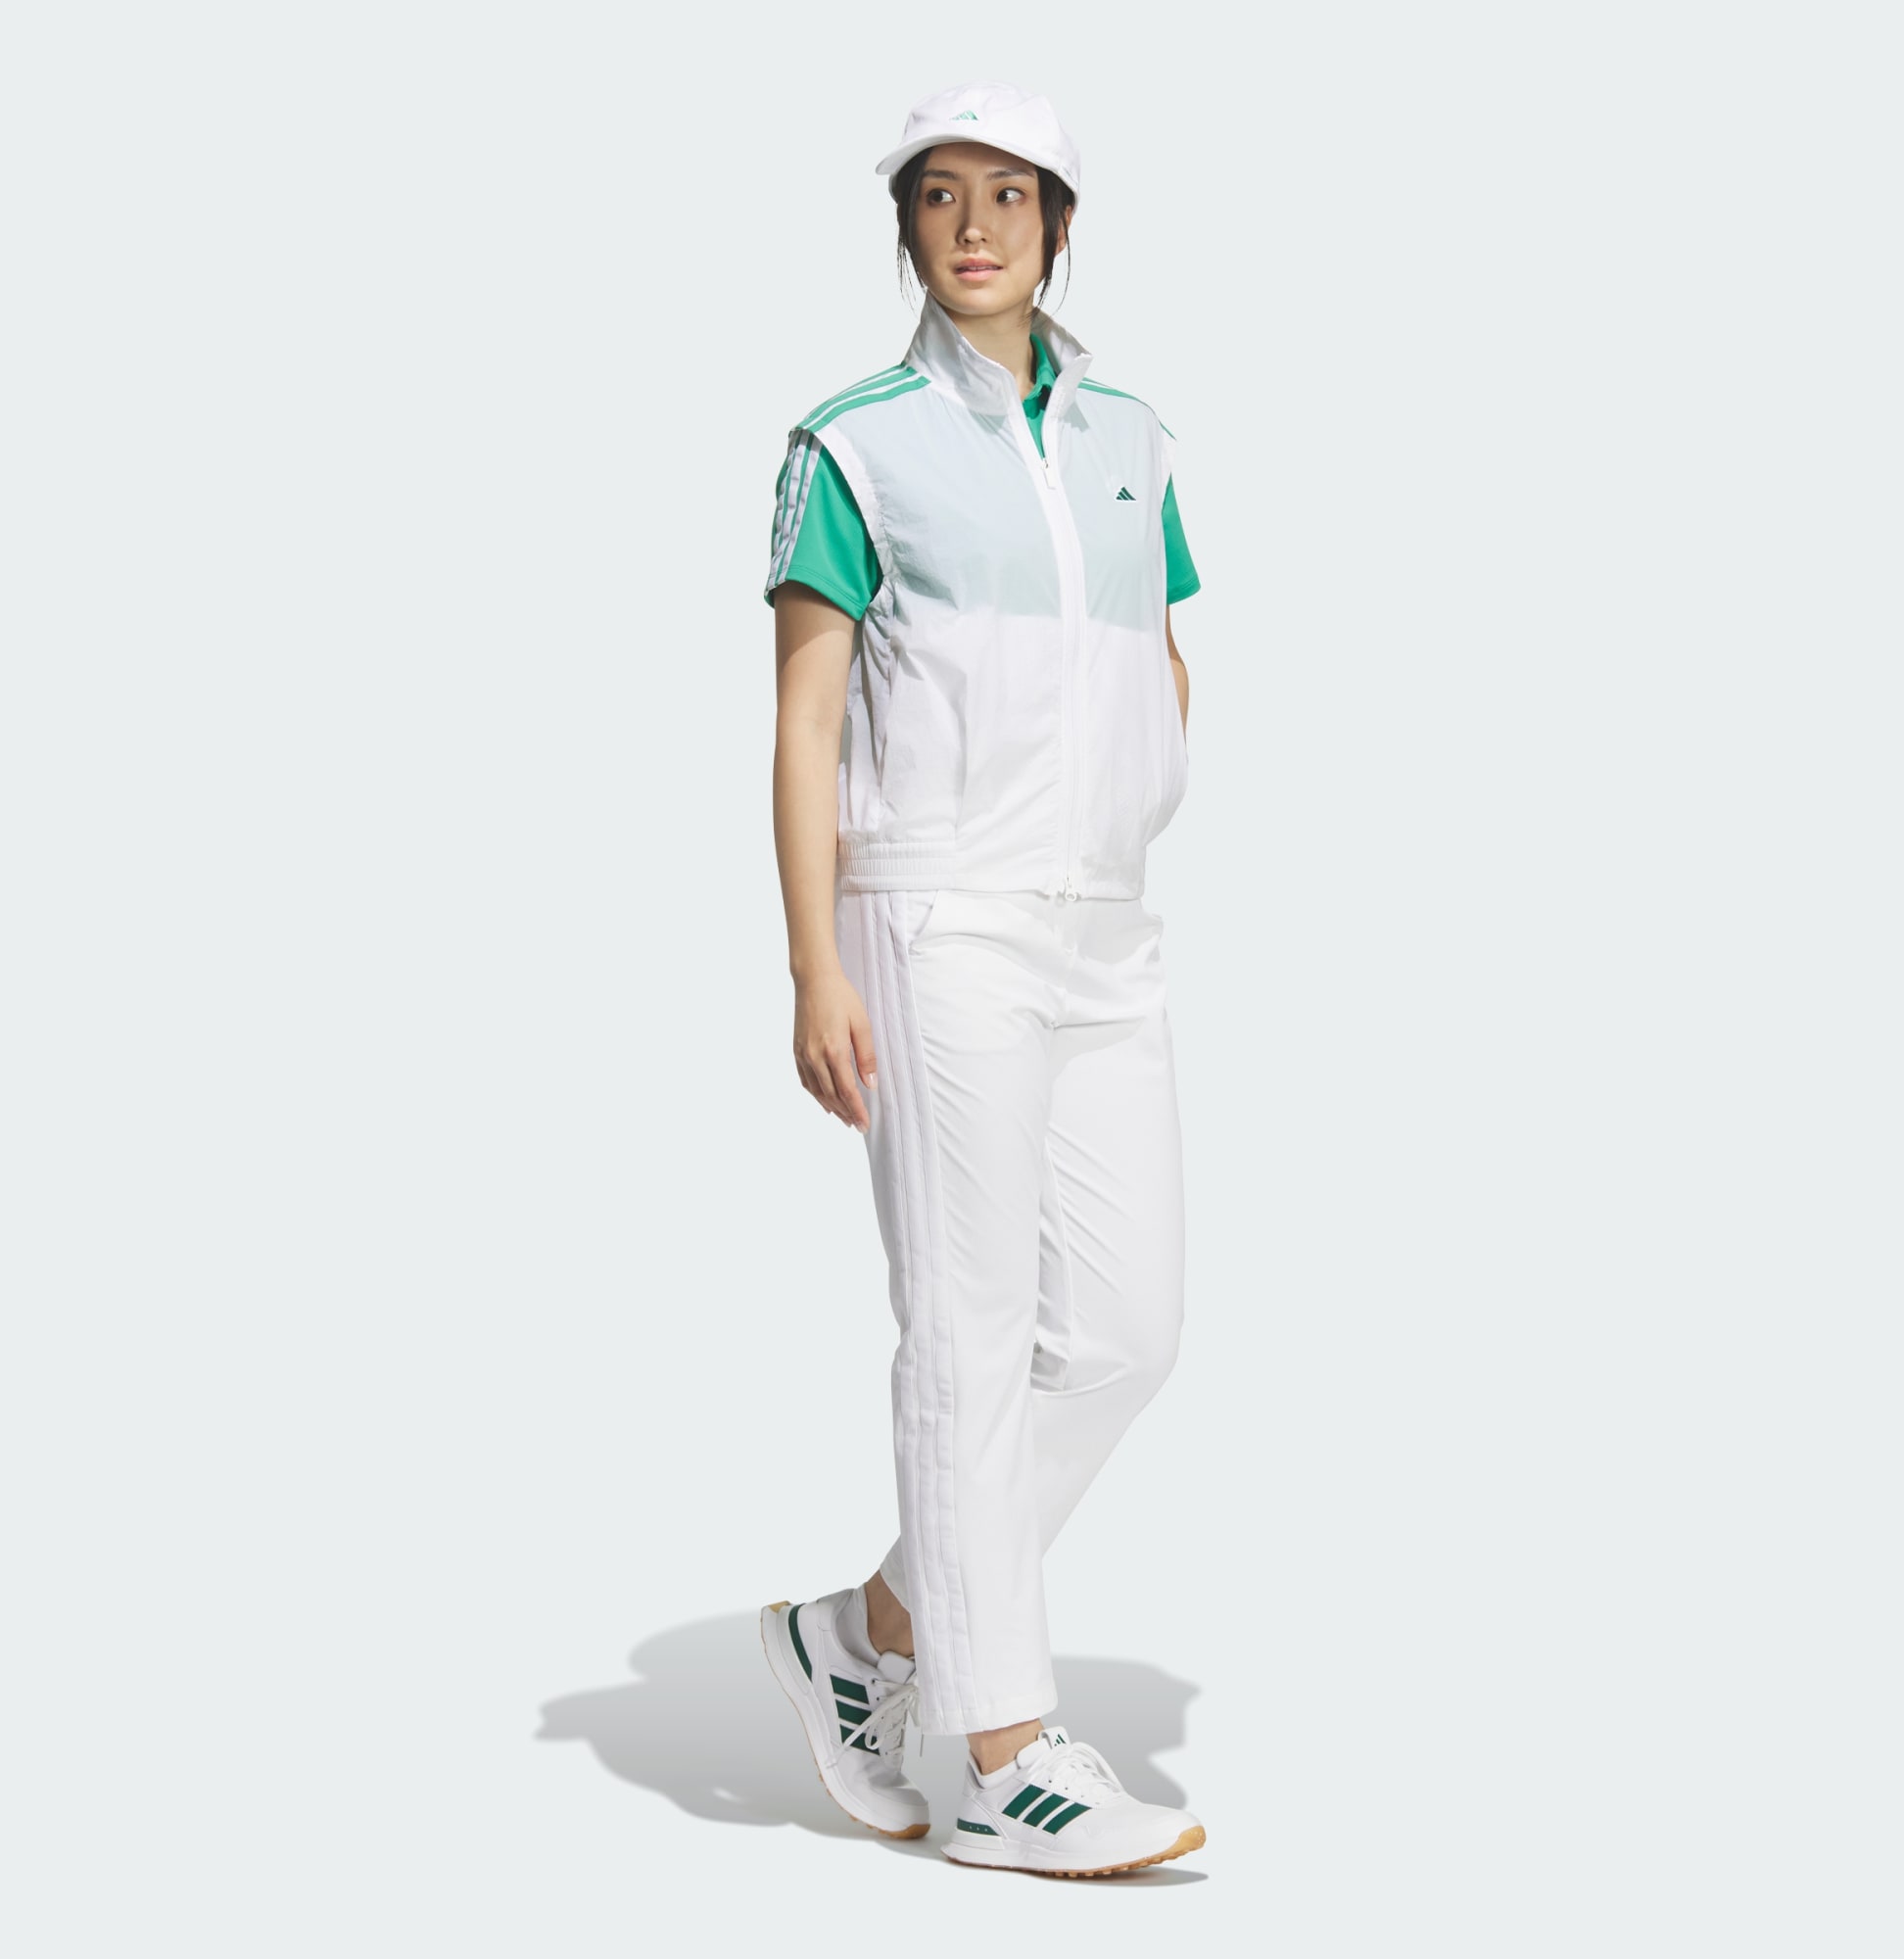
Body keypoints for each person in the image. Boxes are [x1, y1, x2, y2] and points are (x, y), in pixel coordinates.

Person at [758, 80, 1205, 1879]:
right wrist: (815, 962)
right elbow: (804, 721)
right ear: (908, 232)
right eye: (939, 197)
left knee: (1125, 1332)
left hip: (1103, 923)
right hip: (935, 918)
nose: (973, 226)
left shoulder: (1135, 437)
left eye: (1009, 194)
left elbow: (1157, 645)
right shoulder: (851, 446)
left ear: (1060, 225)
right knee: (963, 1334)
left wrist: (1149, 790)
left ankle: (866, 1631)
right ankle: (996, 1754)